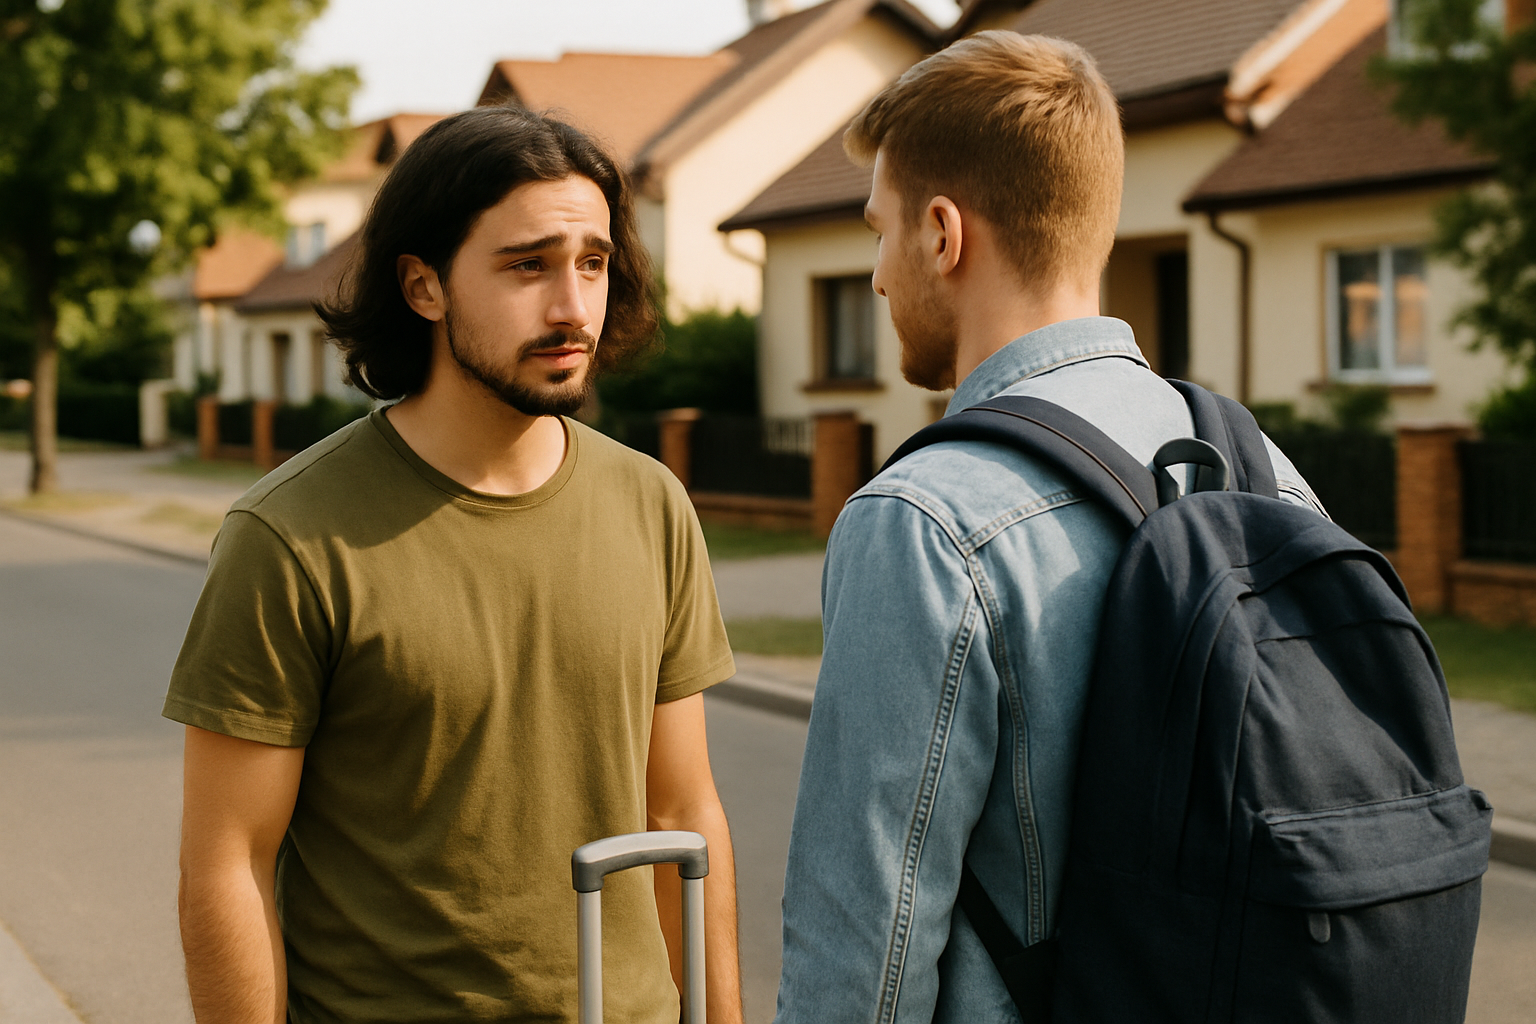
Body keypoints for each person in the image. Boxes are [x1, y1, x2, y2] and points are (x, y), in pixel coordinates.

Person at [774, 32, 1325, 1022]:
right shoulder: (1268, 473)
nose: (878, 277)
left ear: (941, 234)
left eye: (879, 231)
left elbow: (862, 961)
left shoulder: (925, 520)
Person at [166, 106, 743, 1024]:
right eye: (528, 265)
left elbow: (682, 812)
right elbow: (227, 861)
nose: (573, 306)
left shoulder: (652, 504)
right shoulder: (290, 536)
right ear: (424, 286)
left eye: (593, 263)